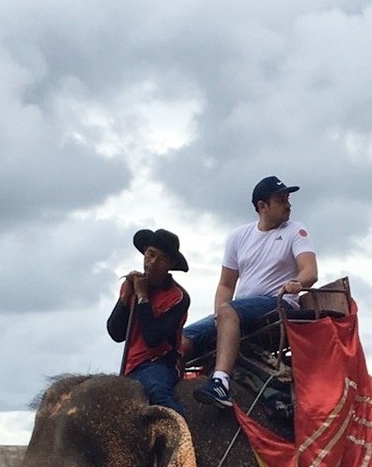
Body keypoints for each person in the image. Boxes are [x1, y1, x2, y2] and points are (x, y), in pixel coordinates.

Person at [184, 175, 317, 408]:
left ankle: (220, 383)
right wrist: (219, 317)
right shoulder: (238, 236)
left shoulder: (296, 230)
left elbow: (310, 270)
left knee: (229, 311)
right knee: (184, 337)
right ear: (262, 206)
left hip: (277, 303)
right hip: (239, 310)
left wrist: (297, 282)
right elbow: (226, 285)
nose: (288, 204)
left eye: (288, 198)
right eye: (281, 199)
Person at [107, 228, 190, 415]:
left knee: (157, 392)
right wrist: (125, 299)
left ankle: (184, 437)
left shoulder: (178, 297)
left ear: (170, 264)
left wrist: (142, 296)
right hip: (130, 363)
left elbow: (153, 338)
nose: (152, 262)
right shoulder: (130, 287)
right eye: (150, 254)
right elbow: (116, 333)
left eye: (161, 259)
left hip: (160, 364)